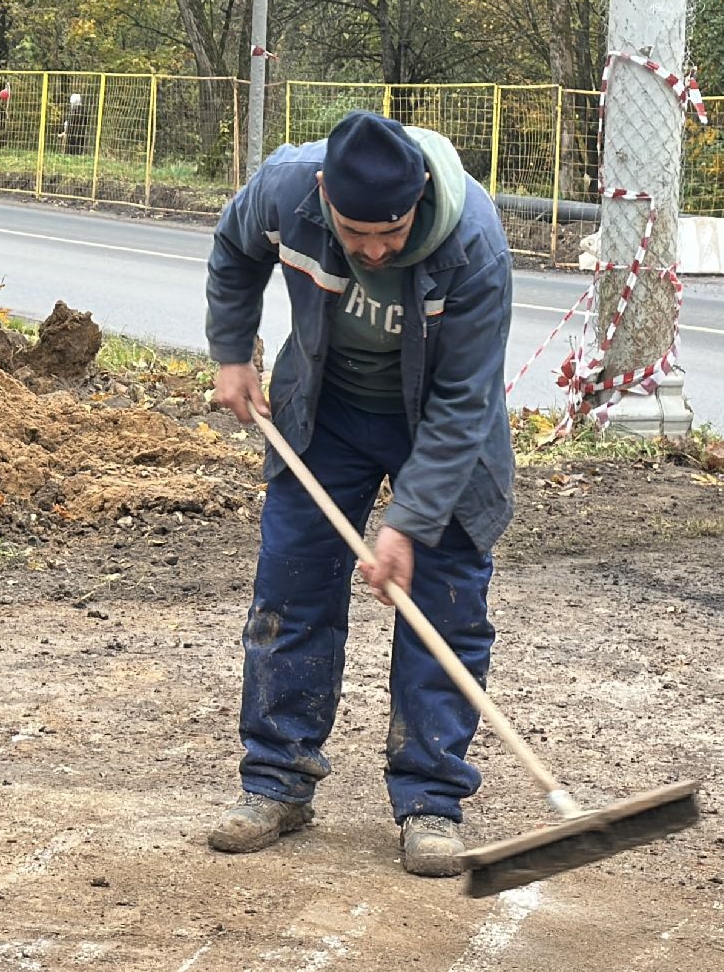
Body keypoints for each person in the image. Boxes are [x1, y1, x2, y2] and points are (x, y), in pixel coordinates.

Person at [203, 109, 515, 877]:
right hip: (324, 414)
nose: (375, 249)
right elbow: (234, 249)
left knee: (443, 610)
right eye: (356, 233)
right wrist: (230, 352)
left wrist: (406, 524)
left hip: (441, 428)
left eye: (393, 232)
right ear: (321, 196)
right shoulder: (282, 190)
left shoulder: (473, 242)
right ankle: (277, 783)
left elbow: (464, 402)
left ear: (417, 200)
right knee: (293, 590)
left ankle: (430, 803)